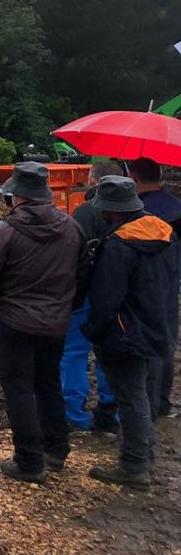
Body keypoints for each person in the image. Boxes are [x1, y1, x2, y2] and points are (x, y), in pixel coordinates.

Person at [0, 162, 85, 483]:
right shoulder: (71, 228)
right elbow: (82, 275)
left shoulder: (4, 232)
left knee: (19, 389)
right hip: (54, 325)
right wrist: (63, 307)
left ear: (16, 196)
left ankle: (29, 461)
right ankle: (56, 450)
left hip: (14, 324)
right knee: (49, 384)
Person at [83, 175, 178, 490]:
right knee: (145, 395)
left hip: (125, 334)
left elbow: (107, 297)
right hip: (158, 326)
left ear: (112, 210)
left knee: (131, 397)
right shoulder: (164, 235)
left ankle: (134, 466)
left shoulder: (119, 246)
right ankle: (145, 456)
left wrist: (94, 330)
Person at [63, 161, 124, 432]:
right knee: (110, 353)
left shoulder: (84, 214)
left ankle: (74, 414)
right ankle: (110, 411)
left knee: (74, 352)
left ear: (93, 181)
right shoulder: (135, 216)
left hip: (85, 296)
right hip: (119, 297)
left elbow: (73, 258)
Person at [127, 157, 181, 420]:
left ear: (135, 178)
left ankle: (143, 401)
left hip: (140, 286)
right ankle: (162, 402)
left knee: (140, 343)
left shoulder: (136, 210)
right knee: (166, 341)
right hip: (170, 283)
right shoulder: (175, 205)